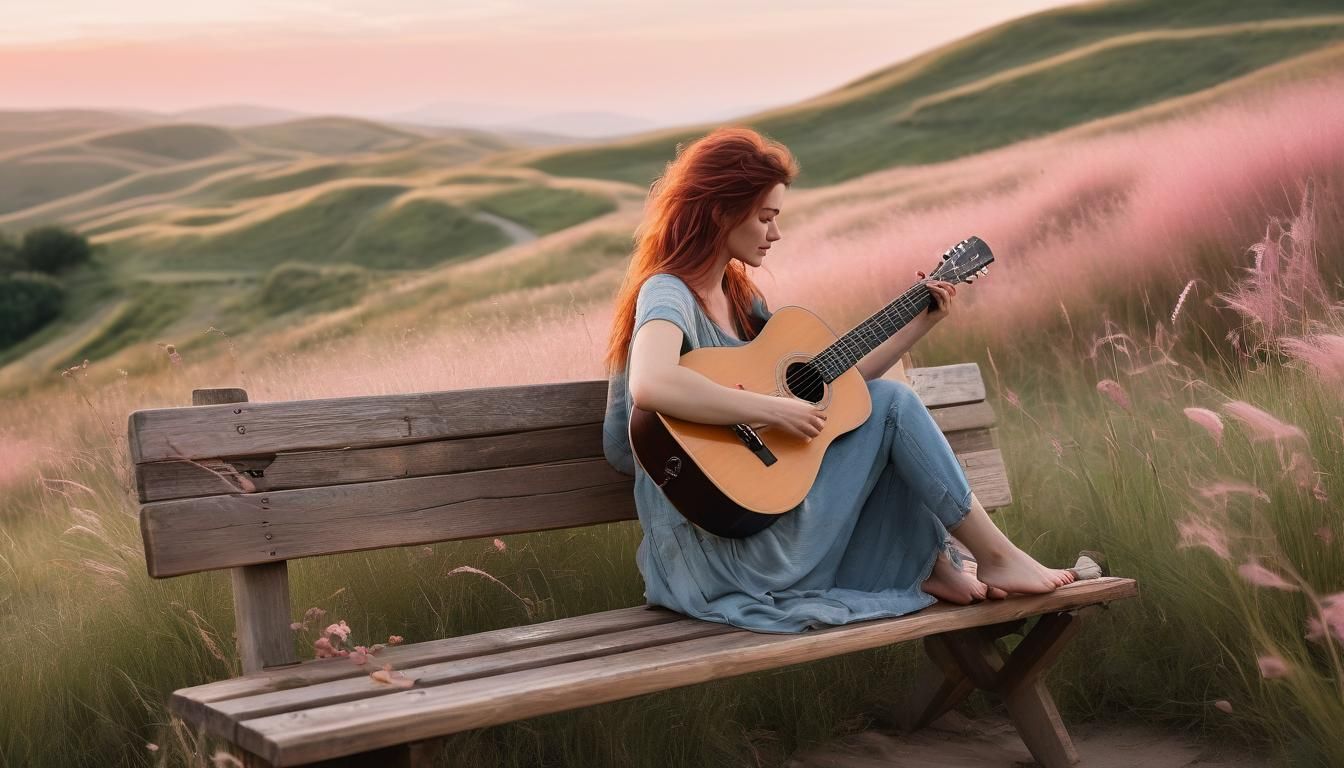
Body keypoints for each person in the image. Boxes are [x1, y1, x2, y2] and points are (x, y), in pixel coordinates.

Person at [602, 126, 1073, 634]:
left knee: (882, 405)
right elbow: (650, 386)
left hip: (767, 522)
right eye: (765, 218)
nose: (775, 234)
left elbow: (839, 388)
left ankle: (938, 564)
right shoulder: (667, 291)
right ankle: (987, 556)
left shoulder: (742, 301)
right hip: (718, 554)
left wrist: (922, 322)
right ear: (720, 211)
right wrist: (772, 409)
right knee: (892, 403)